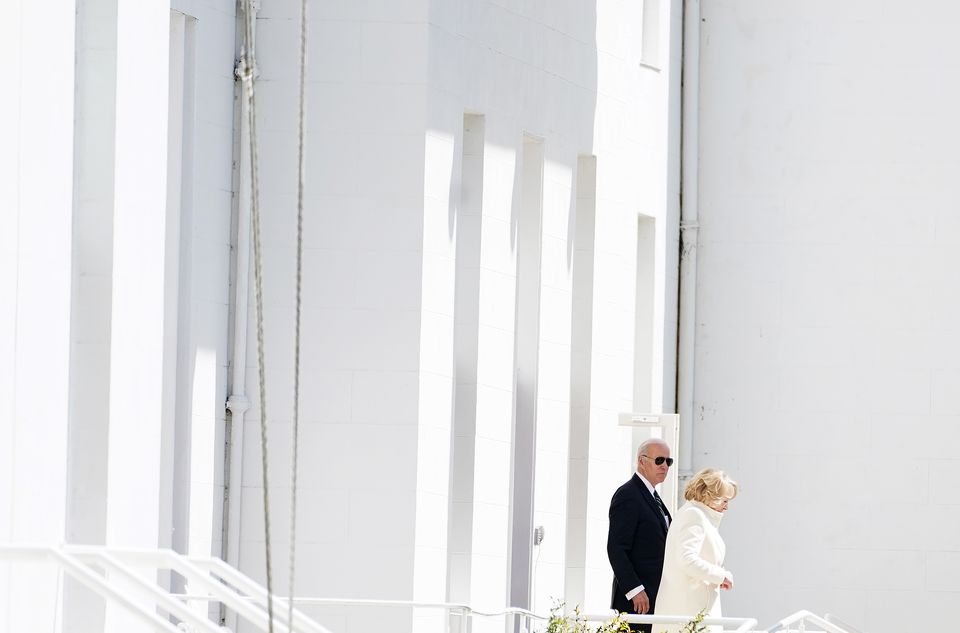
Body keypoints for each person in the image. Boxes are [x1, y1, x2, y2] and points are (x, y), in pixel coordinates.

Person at [652, 468, 737, 633]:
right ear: (709, 495)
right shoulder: (694, 515)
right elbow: (687, 559)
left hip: (693, 609)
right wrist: (721, 575)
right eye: (724, 501)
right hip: (689, 610)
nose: (727, 507)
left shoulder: (697, 515)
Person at [607, 438, 674, 633]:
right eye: (659, 460)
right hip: (637, 602)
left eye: (668, 462)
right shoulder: (628, 494)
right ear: (641, 461)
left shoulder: (653, 496)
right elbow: (616, 548)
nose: (664, 466)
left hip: (656, 598)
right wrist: (635, 590)